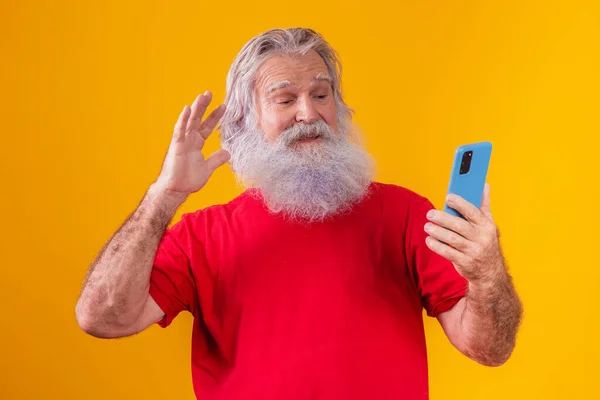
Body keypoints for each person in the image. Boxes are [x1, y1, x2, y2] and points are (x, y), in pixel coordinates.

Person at [76, 28, 523, 399]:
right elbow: (102, 318)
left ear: (341, 110)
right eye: (285, 99)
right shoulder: (201, 235)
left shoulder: (405, 214)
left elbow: (489, 349)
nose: (308, 113)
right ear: (244, 125)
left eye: (320, 94)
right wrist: (164, 196)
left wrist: (486, 273)